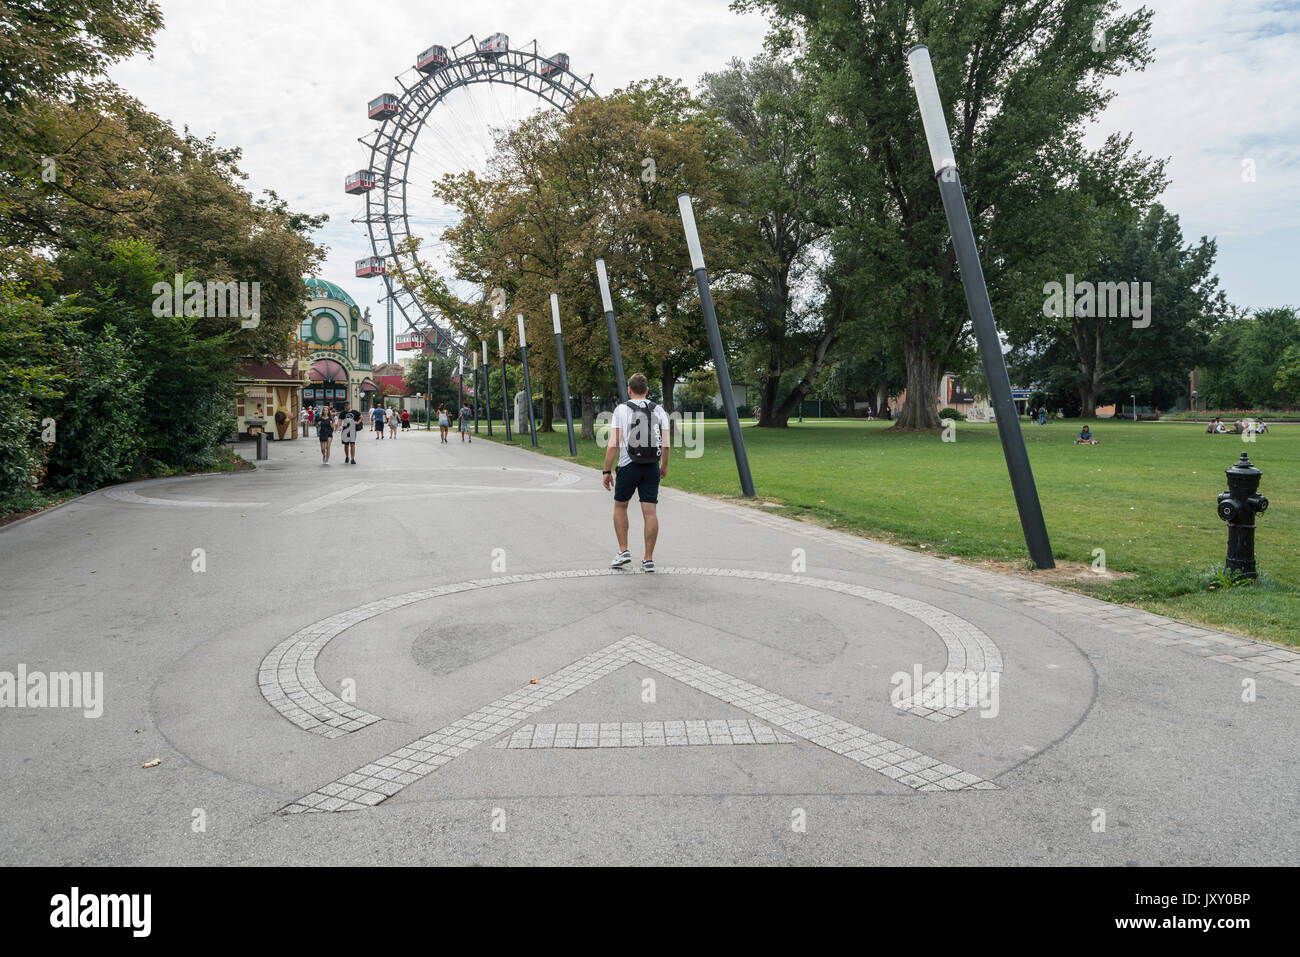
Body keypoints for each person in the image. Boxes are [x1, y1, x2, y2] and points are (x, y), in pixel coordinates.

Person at [603, 373, 672, 574]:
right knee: (650, 512)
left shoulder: (621, 410)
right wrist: (664, 466)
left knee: (620, 506)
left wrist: (607, 470)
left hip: (628, 465)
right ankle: (648, 559)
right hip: (651, 465)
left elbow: (614, 443)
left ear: (629, 390)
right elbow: (666, 445)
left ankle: (623, 550)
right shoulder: (659, 410)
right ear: (647, 390)